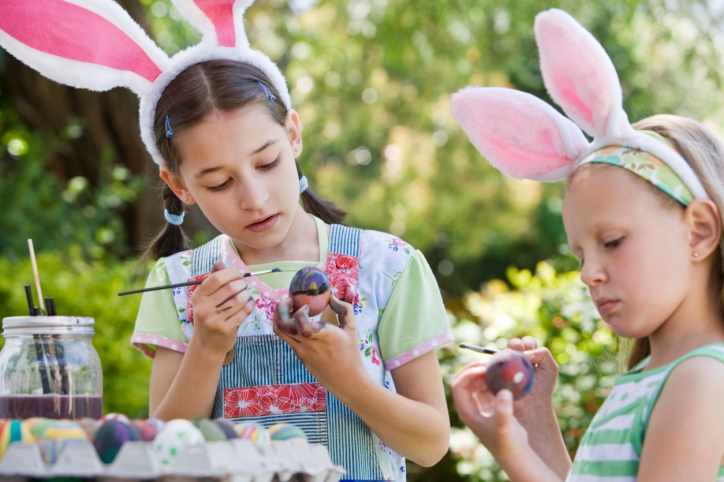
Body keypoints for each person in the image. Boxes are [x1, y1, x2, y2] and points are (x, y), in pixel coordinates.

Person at [0, 1, 451, 480]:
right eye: (218, 183)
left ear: (293, 135)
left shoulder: (388, 267)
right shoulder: (177, 284)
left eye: (267, 162)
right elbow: (161, 453)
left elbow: (430, 444)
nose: (254, 199)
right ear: (179, 186)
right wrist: (207, 348)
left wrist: (349, 380)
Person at [449, 8, 724, 482]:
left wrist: (512, 454)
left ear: (698, 231)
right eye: (580, 255)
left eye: (612, 242)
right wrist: (534, 421)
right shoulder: (651, 378)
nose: (588, 273)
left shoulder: (701, 381)